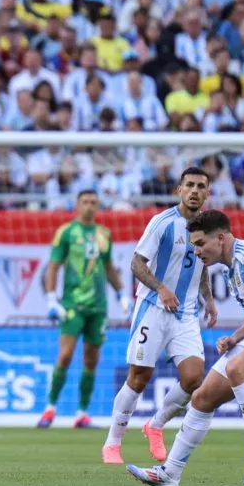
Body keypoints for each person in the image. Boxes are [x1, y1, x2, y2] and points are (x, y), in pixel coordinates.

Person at [128, 210, 244, 486]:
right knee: (202, 397)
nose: (196, 251)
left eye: (200, 244)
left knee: (236, 368)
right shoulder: (230, 268)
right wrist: (236, 338)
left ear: (221, 238)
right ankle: (170, 474)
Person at [102, 168, 218, 464]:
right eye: (189, 185)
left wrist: (208, 298)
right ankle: (113, 442)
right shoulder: (163, 222)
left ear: (207, 193)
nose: (194, 191)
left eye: (200, 186)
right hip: (153, 308)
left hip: (186, 313)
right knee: (139, 377)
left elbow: (202, 265)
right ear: (179, 190)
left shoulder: (208, 226)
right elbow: (136, 264)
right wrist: (161, 288)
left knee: (193, 378)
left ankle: (155, 425)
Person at [38, 190, 132, 428]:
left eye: (93, 202)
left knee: (91, 359)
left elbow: (108, 267)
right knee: (65, 355)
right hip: (73, 304)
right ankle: (50, 408)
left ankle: (81, 413)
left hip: (98, 307)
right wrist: (51, 299)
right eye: (85, 202)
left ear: (98, 206)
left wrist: (121, 293)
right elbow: (54, 266)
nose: (89, 206)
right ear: (77, 205)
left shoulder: (104, 233)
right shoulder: (67, 232)